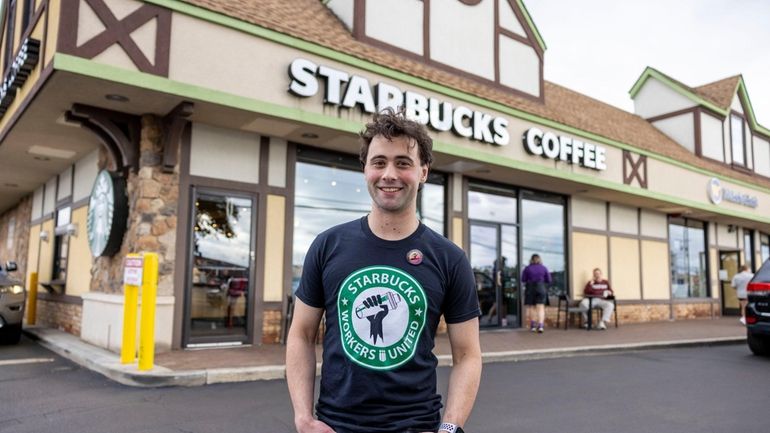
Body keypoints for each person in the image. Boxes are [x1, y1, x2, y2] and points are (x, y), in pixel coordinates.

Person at [286, 108, 482, 433]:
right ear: (365, 170)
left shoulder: (449, 258)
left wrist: (450, 428)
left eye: (402, 163)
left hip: (417, 425)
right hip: (336, 425)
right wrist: (304, 418)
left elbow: (468, 355)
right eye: (379, 162)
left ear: (423, 172)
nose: (389, 174)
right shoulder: (328, 245)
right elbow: (301, 334)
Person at [521, 254, 551, 333]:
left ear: (531, 260)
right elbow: (549, 280)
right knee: (540, 308)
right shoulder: (544, 268)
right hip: (541, 288)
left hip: (530, 289)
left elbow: (523, 279)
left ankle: (533, 326)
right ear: (539, 259)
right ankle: (541, 326)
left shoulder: (527, 268)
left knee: (532, 308)